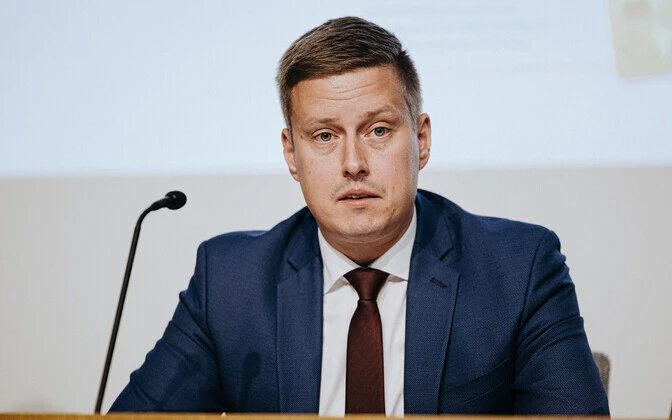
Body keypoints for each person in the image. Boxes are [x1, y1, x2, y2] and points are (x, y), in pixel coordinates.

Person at [110, 16, 609, 415]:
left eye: (378, 130)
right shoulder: (230, 282)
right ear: (291, 154)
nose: (353, 163)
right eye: (324, 136)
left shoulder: (518, 269)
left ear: (422, 140)